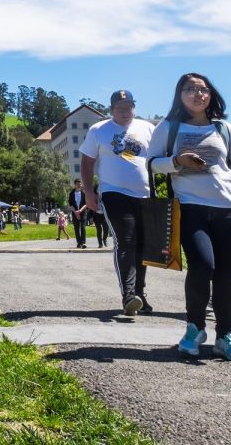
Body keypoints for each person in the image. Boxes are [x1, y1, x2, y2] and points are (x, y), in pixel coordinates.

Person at [147, 73, 231, 362]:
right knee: (202, 266)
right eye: (190, 89)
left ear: (211, 95)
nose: (197, 94)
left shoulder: (223, 128)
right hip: (190, 206)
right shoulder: (168, 127)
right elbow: (151, 164)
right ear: (180, 94)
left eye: (203, 90)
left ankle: (226, 336)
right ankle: (194, 329)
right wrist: (177, 161)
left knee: (226, 275)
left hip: (227, 207)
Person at [80, 89, 156, 316]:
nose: (126, 112)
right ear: (111, 109)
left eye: (129, 107)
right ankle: (128, 296)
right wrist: (89, 193)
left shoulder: (147, 128)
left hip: (145, 195)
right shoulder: (99, 131)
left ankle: (140, 294)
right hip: (114, 193)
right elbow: (86, 163)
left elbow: (158, 158)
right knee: (126, 241)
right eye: (121, 108)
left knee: (142, 245)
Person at [68, 179, 88, 249]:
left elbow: (86, 203)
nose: (79, 185)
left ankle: (83, 242)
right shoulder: (71, 193)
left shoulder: (84, 193)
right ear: (75, 184)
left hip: (83, 212)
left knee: (82, 227)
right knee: (76, 228)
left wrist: (80, 211)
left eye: (80, 184)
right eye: (78, 184)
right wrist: (76, 212)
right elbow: (70, 204)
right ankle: (78, 243)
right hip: (74, 213)